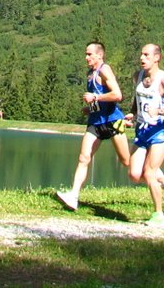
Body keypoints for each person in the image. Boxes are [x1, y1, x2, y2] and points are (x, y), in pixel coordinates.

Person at [55, 42, 132, 211]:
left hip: (112, 121)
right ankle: (73, 196)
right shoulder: (90, 74)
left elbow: (117, 95)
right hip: (95, 122)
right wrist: (89, 109)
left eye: (89, 54)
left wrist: (95, 98)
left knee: (127, 161)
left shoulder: (105, 70)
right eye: (86, 54)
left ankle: (162, 180)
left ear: (99, 55)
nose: (86, 57)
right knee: (84, 158)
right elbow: (97, 99)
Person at [125, 43, 164, 227]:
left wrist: (160, 111)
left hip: (160, 131)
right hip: (142, 130)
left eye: (146, 55)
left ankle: (159, 215)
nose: (142, 58)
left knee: (150, 172)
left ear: (156, 58)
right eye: (141, 54)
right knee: (134, 174)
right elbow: (138, 98)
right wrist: (133, 113)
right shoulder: (138, 76)